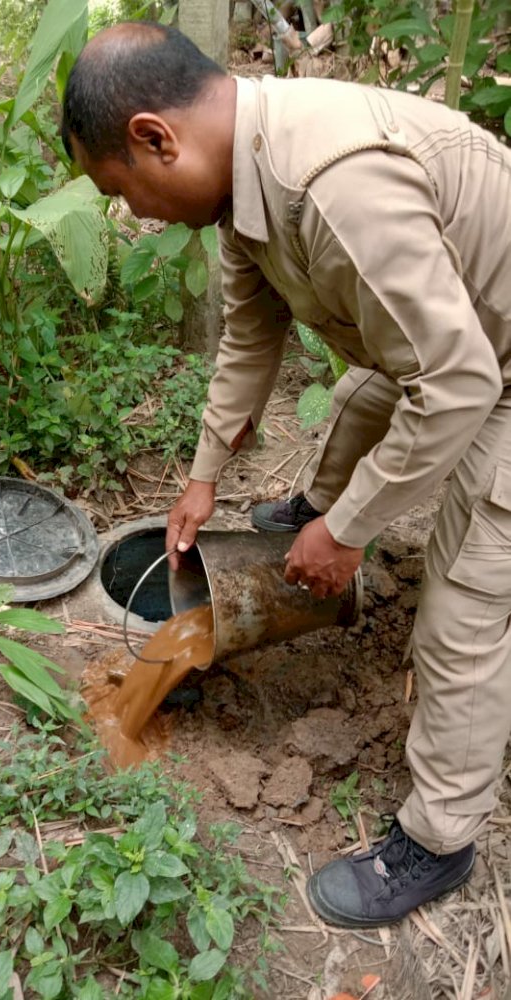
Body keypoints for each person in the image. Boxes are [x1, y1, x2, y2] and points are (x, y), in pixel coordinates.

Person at [61, 21, 511, 929]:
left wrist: (348, 532)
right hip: (447, 343)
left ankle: (437, 839)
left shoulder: (335, 186)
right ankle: (311, 519)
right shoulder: (245, 179)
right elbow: (250, 335)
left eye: (125, 192)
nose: (136, 215)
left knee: (465, 601)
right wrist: (203, 475)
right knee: (355, 405)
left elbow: (461, 380)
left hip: (492, 364)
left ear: (157, 137)